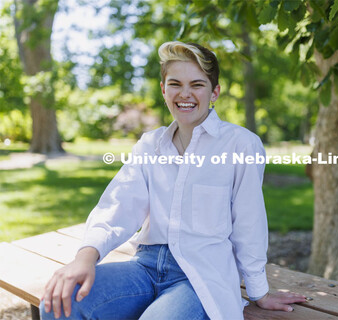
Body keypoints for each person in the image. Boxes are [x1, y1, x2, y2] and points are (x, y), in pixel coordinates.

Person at [40, 41, 306, 320]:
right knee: (58, 303)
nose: (185, 93)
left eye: (197, 84)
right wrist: (85, 257)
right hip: (145, 267)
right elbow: (118, 205)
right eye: (175, 84)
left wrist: (258, 292)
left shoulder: (241, 145)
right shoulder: (149, 145)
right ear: (163, 90)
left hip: (200, 277)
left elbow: (249, 224)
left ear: (214, 92)